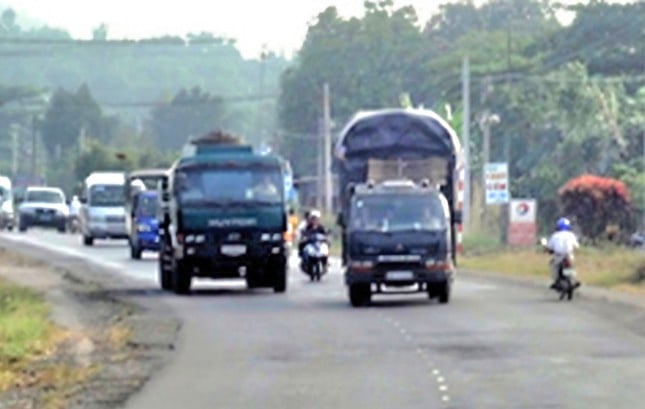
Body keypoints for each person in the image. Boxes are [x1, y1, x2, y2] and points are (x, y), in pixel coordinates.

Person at [546, 217, 580, 289]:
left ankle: (556, 281)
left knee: (553, 266)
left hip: (558, 256)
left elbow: (549, 247)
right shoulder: (571, 235)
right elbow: (577, 246)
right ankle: (574, 280)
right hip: (569, 255)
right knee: (572, 266)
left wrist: (549, 250)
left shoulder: (555, 236)